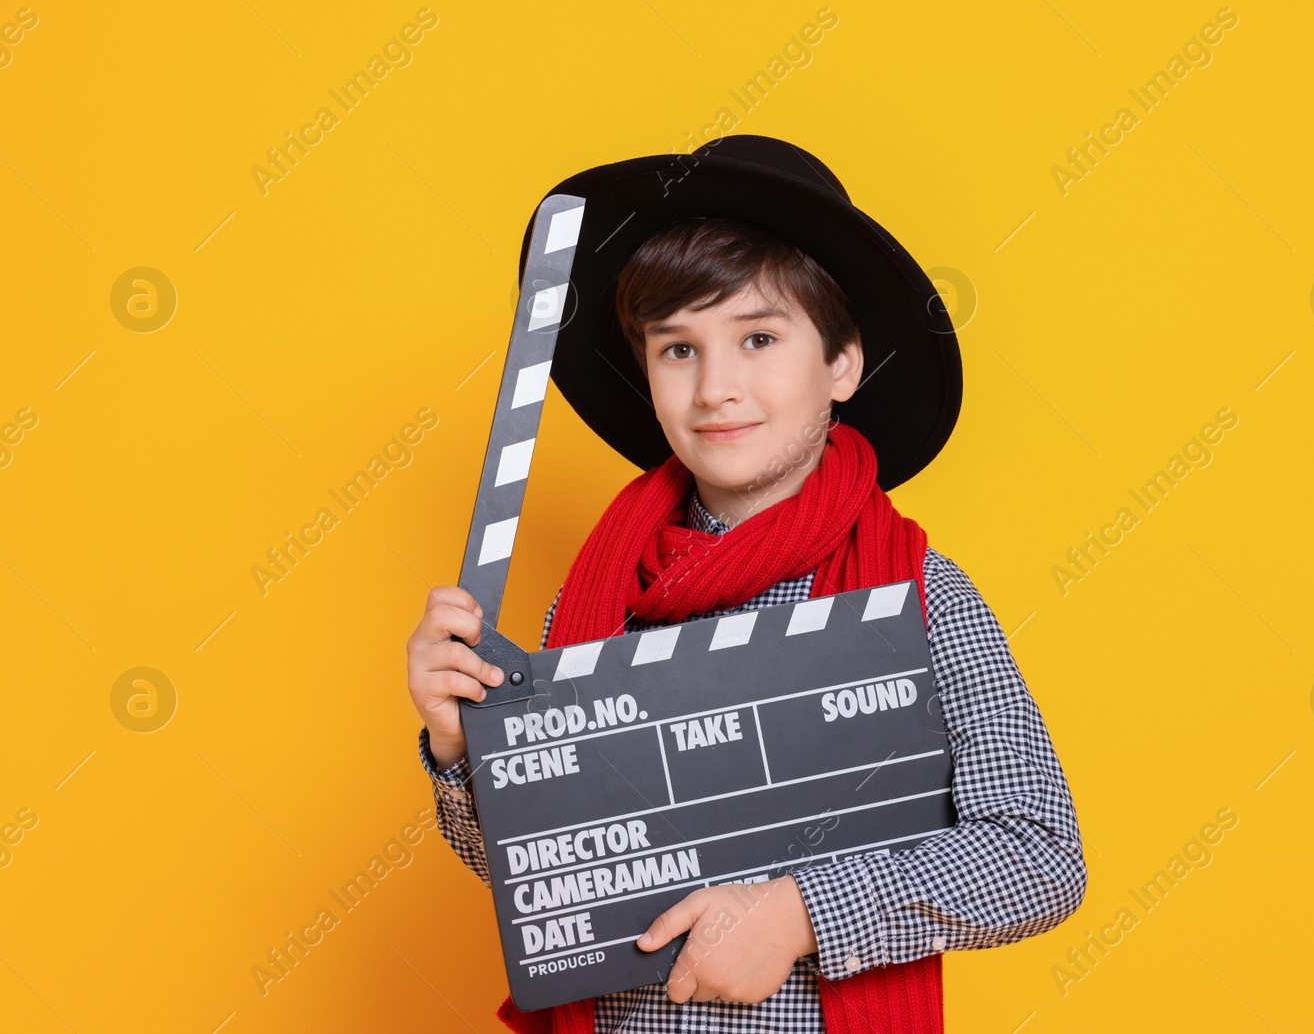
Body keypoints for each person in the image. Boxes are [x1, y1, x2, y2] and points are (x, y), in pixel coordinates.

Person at [405, 135, 1086, 1034]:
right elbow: (540, 879)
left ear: (841, 363)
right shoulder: (598, 599)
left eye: (758, 337)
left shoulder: (921, 597)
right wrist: (463, 750)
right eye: (677, 349)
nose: (716, 388)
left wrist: (806, 911)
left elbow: (1038, 857)